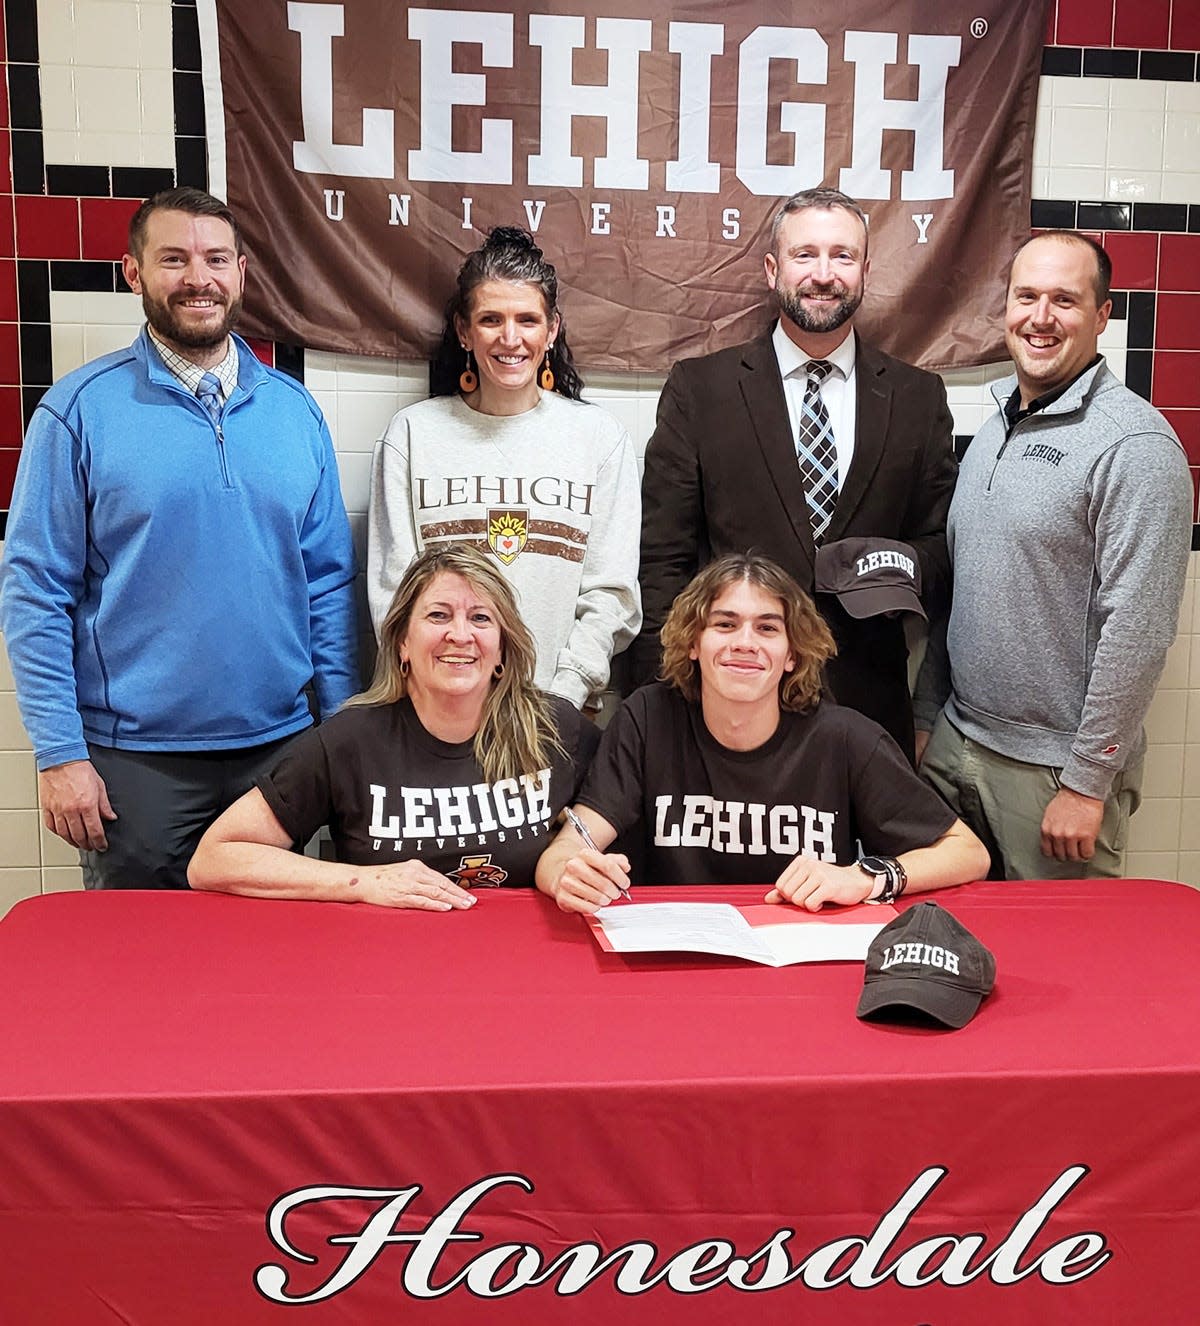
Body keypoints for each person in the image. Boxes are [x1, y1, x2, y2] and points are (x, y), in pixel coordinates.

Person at [0, 187, 357, 889]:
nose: (199, 277)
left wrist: (344, 734)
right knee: (143, 975)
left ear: (242, 273)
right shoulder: (78, 412)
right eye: (174, 259)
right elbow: (34, 593)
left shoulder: (294, 412)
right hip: (134, 767)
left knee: (278, 967)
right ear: (133, 273)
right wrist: (61, 755)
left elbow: (328, 582)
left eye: (216, 258)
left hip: (282, 754)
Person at [634, 187, 957, 761]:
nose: (823, 274)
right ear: (772, 269)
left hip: (866, 708)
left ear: (864, 270)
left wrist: (878, 565)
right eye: (805, 255)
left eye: (843, 256)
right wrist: (666, 701)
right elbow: (663, 560)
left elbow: (941, 549)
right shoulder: (700, 390)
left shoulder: (917, 397)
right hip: (727, 702)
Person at [914, 231, 1192, 880]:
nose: (1040, 317)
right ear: (1005, 308)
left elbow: (1140, 629)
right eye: (1026, 296)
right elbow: (960, 592)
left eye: (1064, 300)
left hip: (1053, 772)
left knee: (1063, 970)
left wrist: (1088, 781)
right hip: (960, 747)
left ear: (1102, 315)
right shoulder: (994, 428)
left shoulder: (1136, 446)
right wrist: (930, 718)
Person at [536, 555, 987, 913]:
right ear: (694, 643)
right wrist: (567, 874)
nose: (745, 643)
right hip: (676, 955)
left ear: (792, 653)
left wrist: (865, 877)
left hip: (802, 955)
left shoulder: (843, 738)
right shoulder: (648, 719)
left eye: (767, 628)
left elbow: (967, 852)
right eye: (725, 624)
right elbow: (570, 847)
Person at [190, 544, 598, 908]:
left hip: (521, 962)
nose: (460, 634)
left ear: (503, 647)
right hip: (386, 967)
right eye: (438, 615)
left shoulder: (556, 729)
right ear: (402, 643)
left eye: (480, 618)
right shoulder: (351, 740)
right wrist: (361, 881)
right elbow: (214, 858)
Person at [367, 226, 641, 711]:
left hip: (556, 714)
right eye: (491, 319)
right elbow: (395, 593)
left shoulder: (598, 437)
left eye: (527, 320)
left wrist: (565, 694)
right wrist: (441, 697)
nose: (510, 338)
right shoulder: (411, 435)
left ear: (551, 330)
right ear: (464, 331)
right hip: (436, 715)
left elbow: (611, 595)